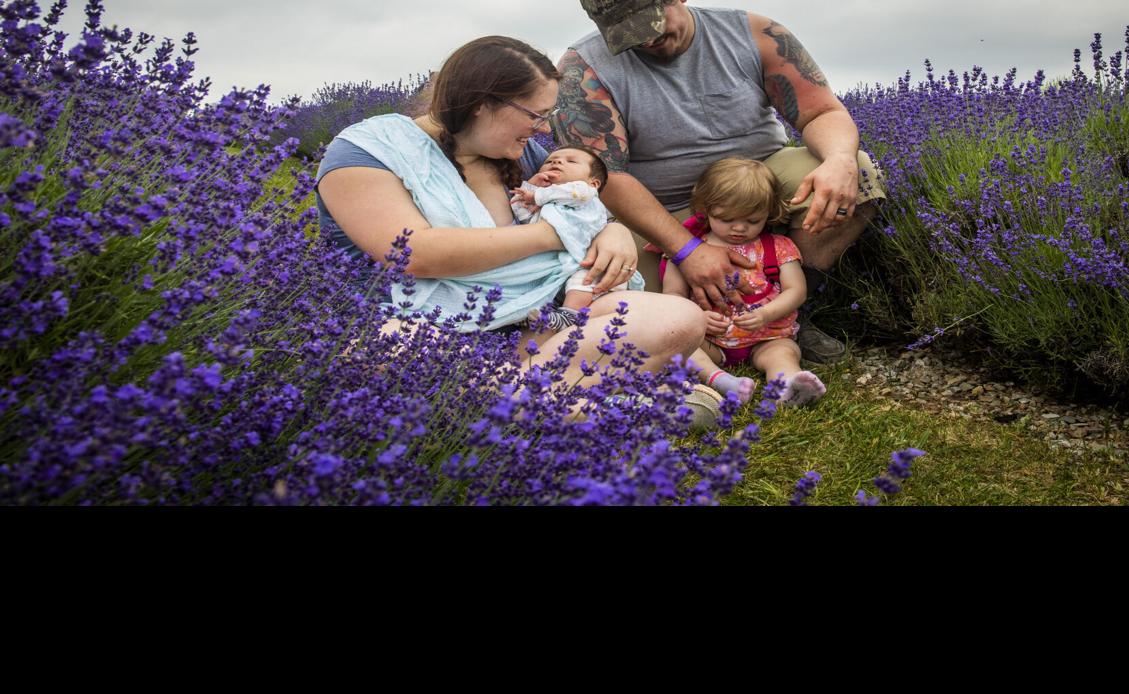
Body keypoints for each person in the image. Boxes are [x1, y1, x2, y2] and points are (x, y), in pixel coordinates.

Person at [314, 35, 718, 422]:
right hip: (425, 327)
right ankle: (602, 405)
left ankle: (513, 399)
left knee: (680, 319)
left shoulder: (522, 155)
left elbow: (577, 206)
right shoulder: (366, 151)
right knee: (391, 350)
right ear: (482, 104)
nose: (543, 129)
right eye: (535, 115)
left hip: (532, 325)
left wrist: (608, 231)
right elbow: (414, 253)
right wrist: (553, 235)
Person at [552, 0, 889, 365]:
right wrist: (687, 250)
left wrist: (839, 160)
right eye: (626, 33)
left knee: (859, 172)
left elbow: (820, 111)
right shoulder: (582, 68)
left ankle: (788, 313)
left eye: (653, 25)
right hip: (662, 210)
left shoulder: (754, 34)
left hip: (759, 186)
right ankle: (707, 332)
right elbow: (606, 175)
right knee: (613, 291)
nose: (646, 41)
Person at [664, 158, 825, 407]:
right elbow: (672, 297)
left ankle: (787, 385)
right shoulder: (688, 251)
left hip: (766, 335)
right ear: (705, 209)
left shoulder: (777, 247)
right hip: (710, 338)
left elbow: (796, 290)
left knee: (783, 352)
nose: (739, 228)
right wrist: (697, 318)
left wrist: (765, 314)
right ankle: (721, 380)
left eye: (752, 221)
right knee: (680, 346)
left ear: (768, 214)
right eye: (726, 219)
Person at [507, 145, 648, 330]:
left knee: (583, 279)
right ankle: (524, 313)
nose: (556, 162)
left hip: (592, 261)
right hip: (564, 262)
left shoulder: (584, 193)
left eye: (571, 161)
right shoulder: (545, 204)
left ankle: (569, 315)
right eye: (549, 161)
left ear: (594, 183)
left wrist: (537, 194)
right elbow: (523, 215)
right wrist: (530, 187)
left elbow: (574, 194)